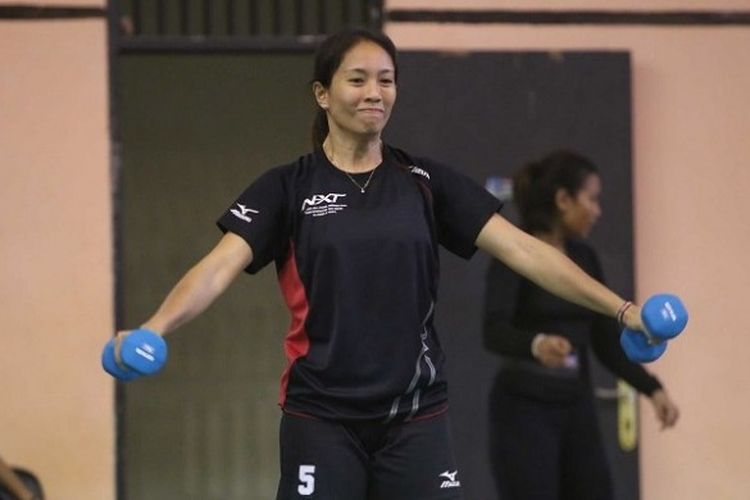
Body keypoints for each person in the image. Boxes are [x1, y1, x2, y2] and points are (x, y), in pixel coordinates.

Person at [113, 29, 664, 500]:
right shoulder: (288, 188)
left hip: (417, 417)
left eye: (386, 79)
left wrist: (623, 311)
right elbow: (216, 269)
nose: (374, 92)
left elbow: (526, 252)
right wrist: (155, 327)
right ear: (323, 94)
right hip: (320, 416)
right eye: (357, 80)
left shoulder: (425, 184)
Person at [483, 150, 680, 500]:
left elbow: (606, 340)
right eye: (591, 199)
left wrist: (652, 388)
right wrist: (536, 343)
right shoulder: (517, 252)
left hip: (575, 406)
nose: (597, 210)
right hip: (524, 410)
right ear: (563, 199)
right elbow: (494, 330)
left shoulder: (585, 258)